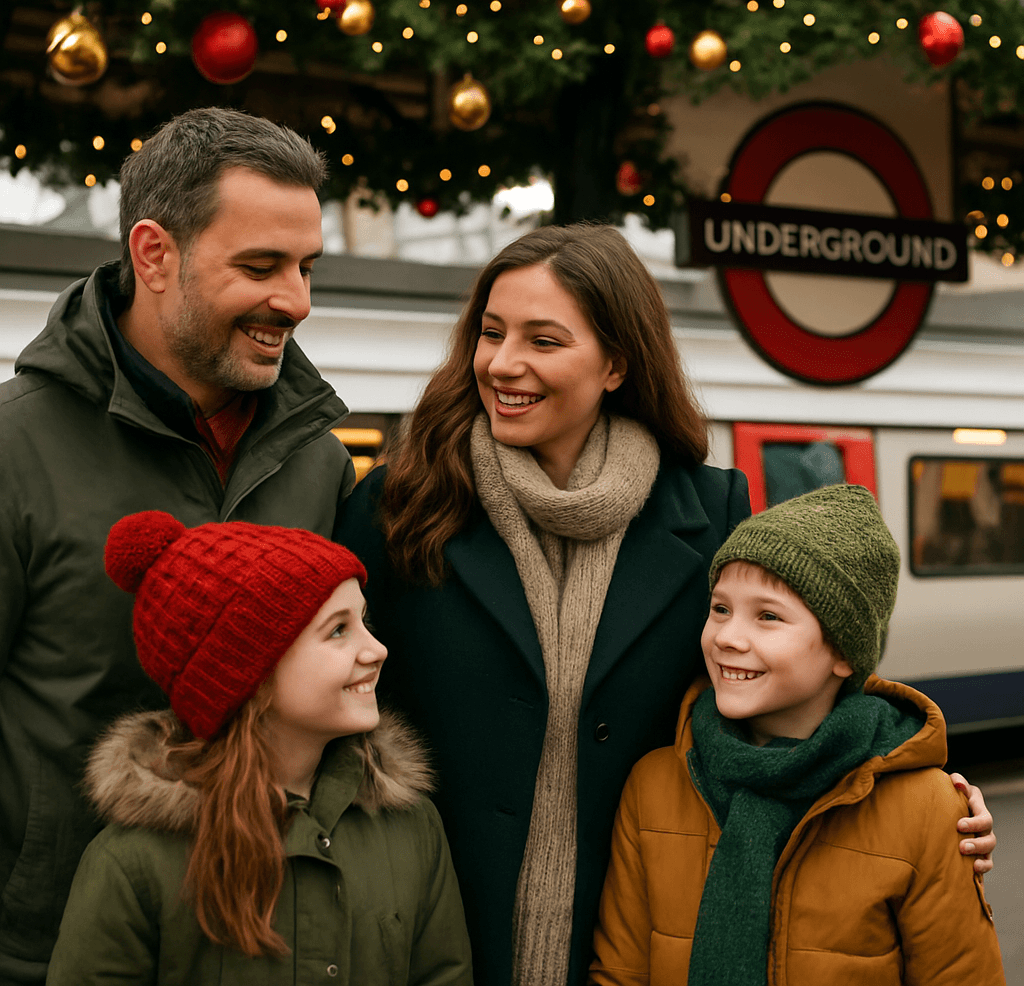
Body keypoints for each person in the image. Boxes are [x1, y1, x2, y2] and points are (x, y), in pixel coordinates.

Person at [337, 223, 996, 986]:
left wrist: (911, 788)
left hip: (631, 933)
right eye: (491, 332)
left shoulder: (711, 509)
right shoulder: (401, 503)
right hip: (433, 929)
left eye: (544, 341)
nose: (502, 363)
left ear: (616, 363)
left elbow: (773, 699)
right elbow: (330, 705)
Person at [0, 107, 354, 985]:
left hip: (269, 944)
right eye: (261, 266)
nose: (297, 301)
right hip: (43, 953)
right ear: (154, 254)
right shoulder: (14, 452)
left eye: (307, 267)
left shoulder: (320, 464)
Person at [590, 484, 1006, 986]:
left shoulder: (929, 809)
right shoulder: (654, 785)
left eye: (767, 616)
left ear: (844, 653)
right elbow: (619, 972)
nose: (727, 636)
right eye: (720, 608)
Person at [46, 511, 472, 986]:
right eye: (337, 630)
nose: (376, 649)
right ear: (247, 674)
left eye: (363, 620)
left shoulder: (410, 830)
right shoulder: (135, 863)